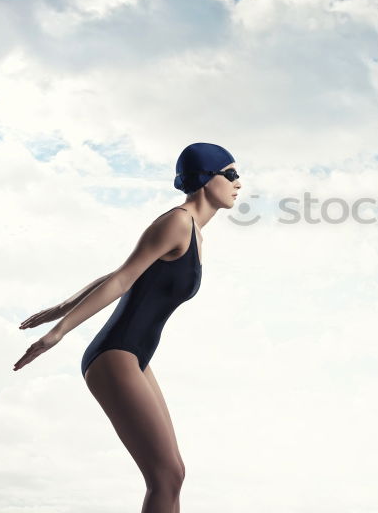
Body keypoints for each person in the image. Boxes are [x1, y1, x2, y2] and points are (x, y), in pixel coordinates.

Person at [13, 142, 241, 512]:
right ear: (204, 178)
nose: (239, 183)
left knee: (174, 473)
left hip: (136, 357)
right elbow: (122, 279)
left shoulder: (194, 232)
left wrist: (60, 306)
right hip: (115, 355)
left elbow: (126, 273)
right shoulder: (177, 222)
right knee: (165, 476)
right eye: (230, 174)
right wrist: (59, 332)